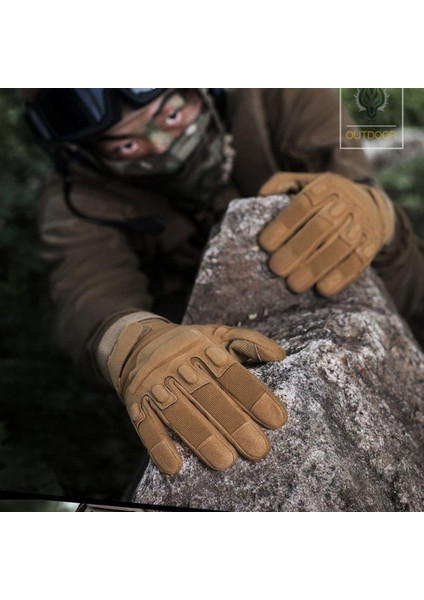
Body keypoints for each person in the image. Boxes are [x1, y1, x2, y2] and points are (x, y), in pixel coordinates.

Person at [23, 88, 424, 477]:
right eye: (124, 145)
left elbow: (405, 285)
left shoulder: (284, 92)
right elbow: (86, 290)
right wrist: (130, 343)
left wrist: (380, 218)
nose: (160, 145)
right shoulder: (76, 198)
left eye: (171, 115)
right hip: (192, 336)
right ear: (88, 150)